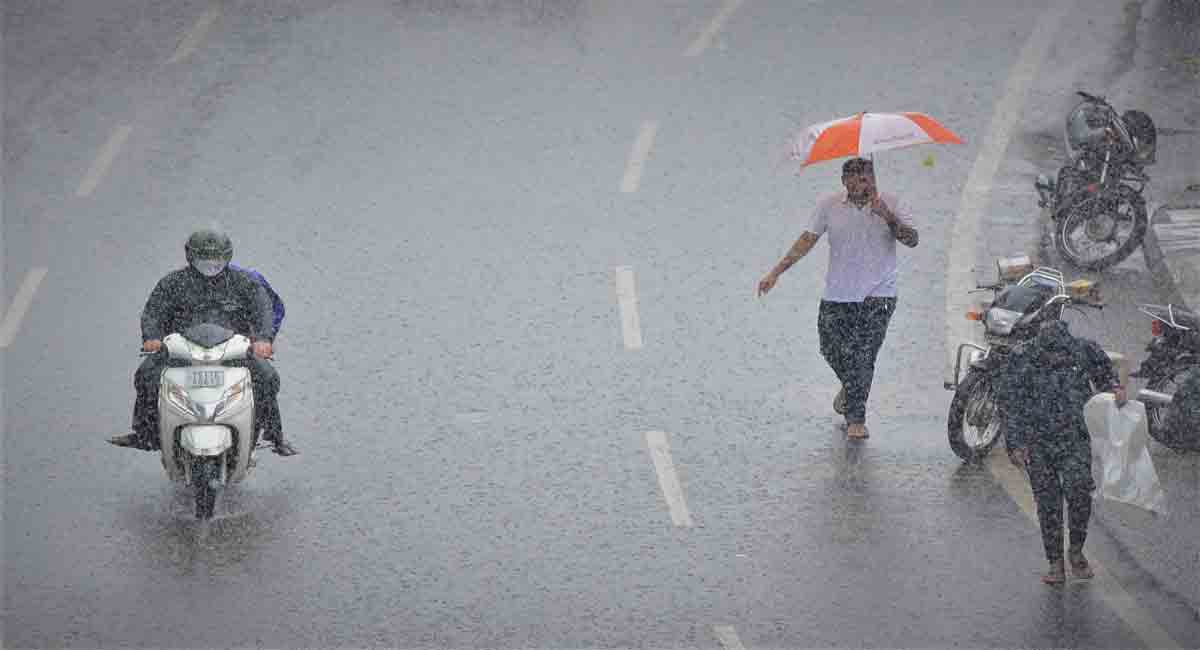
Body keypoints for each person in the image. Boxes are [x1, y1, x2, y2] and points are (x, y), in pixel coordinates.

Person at [757, 157, 918, 439]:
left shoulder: (891, 202)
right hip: (838, 293)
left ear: (874, 179)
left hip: (878, 295)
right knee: (830, 347)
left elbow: (912, 240)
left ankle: (856, 418)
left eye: (867, 178)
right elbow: (807, 239)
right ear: (845, 182)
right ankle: (851, 385)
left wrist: (888, 216)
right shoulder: (829, 205)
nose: (862, 185)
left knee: (864, 355)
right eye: (855, 180)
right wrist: (776, 272)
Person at [109, 230, 298, 456]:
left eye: (216, 259)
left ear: (227, 257)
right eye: (204, 259)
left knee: (268, 378)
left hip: (233, 352)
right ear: (190, 256)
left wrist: (264, 340)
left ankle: (273, 436)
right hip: (181, 351)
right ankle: (145, 433)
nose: (211, 265)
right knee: (146, 375)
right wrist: (152, 338)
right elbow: (153, 312)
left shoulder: (244, 283)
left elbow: (263, 310)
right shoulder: (172, 283)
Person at [995, 320, 1125, 584]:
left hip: (1075, 437)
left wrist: (1115, 389)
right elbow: (1009, 402)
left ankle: (1076, 551)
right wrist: (1016, 444)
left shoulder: (1083, 351)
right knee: (1048, 503)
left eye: (1060, 355)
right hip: (1037, 442)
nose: (1055, 359)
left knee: (1079, 492)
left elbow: (1106, 376)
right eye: (1050, 355)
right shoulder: (1022, 358)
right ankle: (1055, 562)